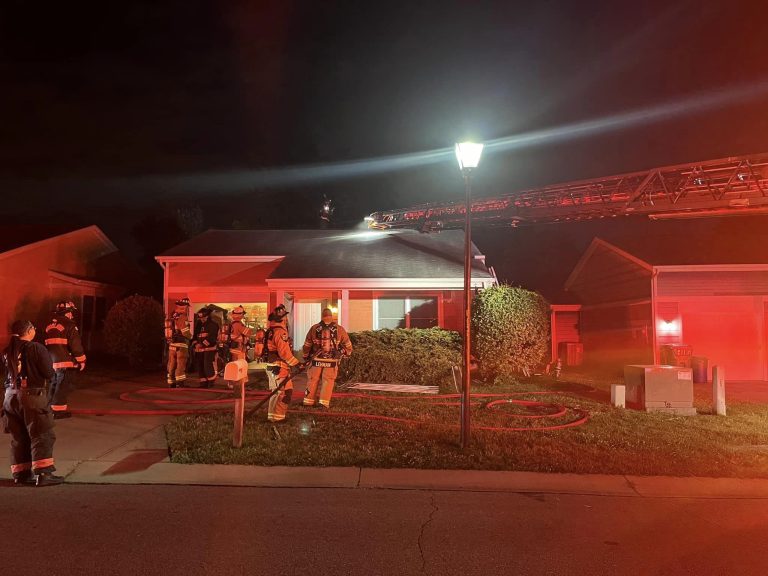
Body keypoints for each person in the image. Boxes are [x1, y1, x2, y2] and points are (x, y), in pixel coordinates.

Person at [2, 320, 63, 486]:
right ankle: (43, 474)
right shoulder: (35, 348)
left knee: (18, 436)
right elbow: (48, 373)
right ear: (28, 330)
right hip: (32, 396)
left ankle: (20, 474)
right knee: (42, 434)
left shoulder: (7, 351)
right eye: (33, 328)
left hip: (9, 397)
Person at [302, 308, 352, 408]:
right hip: (331, 361)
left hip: (316, 360)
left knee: (312, 379)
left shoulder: (314, 328)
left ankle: (308, 401)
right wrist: (343, 353)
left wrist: (306, 356)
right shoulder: (339, 329)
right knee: (328, 381)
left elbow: (307, 345)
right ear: (331, 316)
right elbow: (348, 347)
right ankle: (323, 403)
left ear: (322, 316)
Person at [44, 300, 86, 419]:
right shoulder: (70, 325)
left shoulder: (49, 325)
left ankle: (48, 410)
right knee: (62, 387)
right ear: (68, 312)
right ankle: (58, 412)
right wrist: (81, 360)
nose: (72, 315)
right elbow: (75, 345)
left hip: (51, 362)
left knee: (53, 385)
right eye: (71, 312)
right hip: (65, 362)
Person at [264, 306, 301, 422]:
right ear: (282, 319)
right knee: (283, 393)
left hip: (275, 366)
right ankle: (277, 418)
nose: (287, 319)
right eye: (285, 317)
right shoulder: (280, 332)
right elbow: (284, 353)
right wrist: (297, 364)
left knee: (280, 392)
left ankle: (274, 417)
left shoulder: (271, 330)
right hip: (279, 367)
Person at [164, 297, 192, 387]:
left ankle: (171, 383)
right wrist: (190, 337)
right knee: (180, 364)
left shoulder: (173, 316)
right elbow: (185, 331)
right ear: (184, 307)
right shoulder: (183, 317)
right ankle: (180, 383)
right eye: (187, 307)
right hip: (181, 345)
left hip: (172, 345)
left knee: (172, 364)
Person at [191, 307, 219, 388]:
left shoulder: (213, 325)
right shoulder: (199, 325)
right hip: (199, 350)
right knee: (200, 366)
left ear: (208, 316)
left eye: (203, 317)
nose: (202, 319)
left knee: (207, 366)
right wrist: (195, 343)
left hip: (209, 350)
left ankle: (211, 382)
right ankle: (203, 383)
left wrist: (202, 344)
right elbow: (195, 336)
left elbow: (212, 338)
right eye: (200, 318)